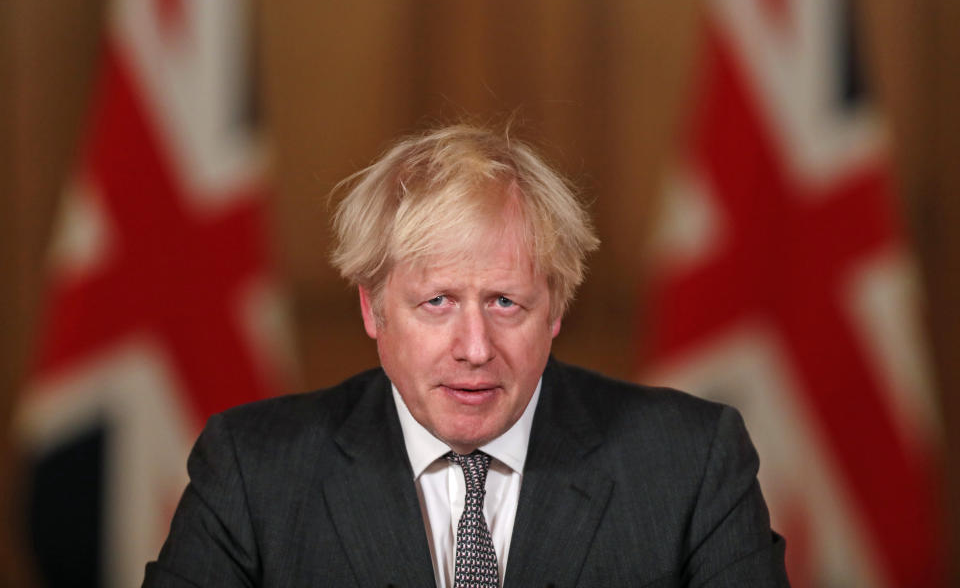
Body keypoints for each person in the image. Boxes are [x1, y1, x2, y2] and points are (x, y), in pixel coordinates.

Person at [143, 124, 788, 587]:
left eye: (506, 302)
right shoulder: (254, 470)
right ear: (373, 310)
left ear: (556, 308)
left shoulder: (691, 462)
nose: (476, 349)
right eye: (438, 302)